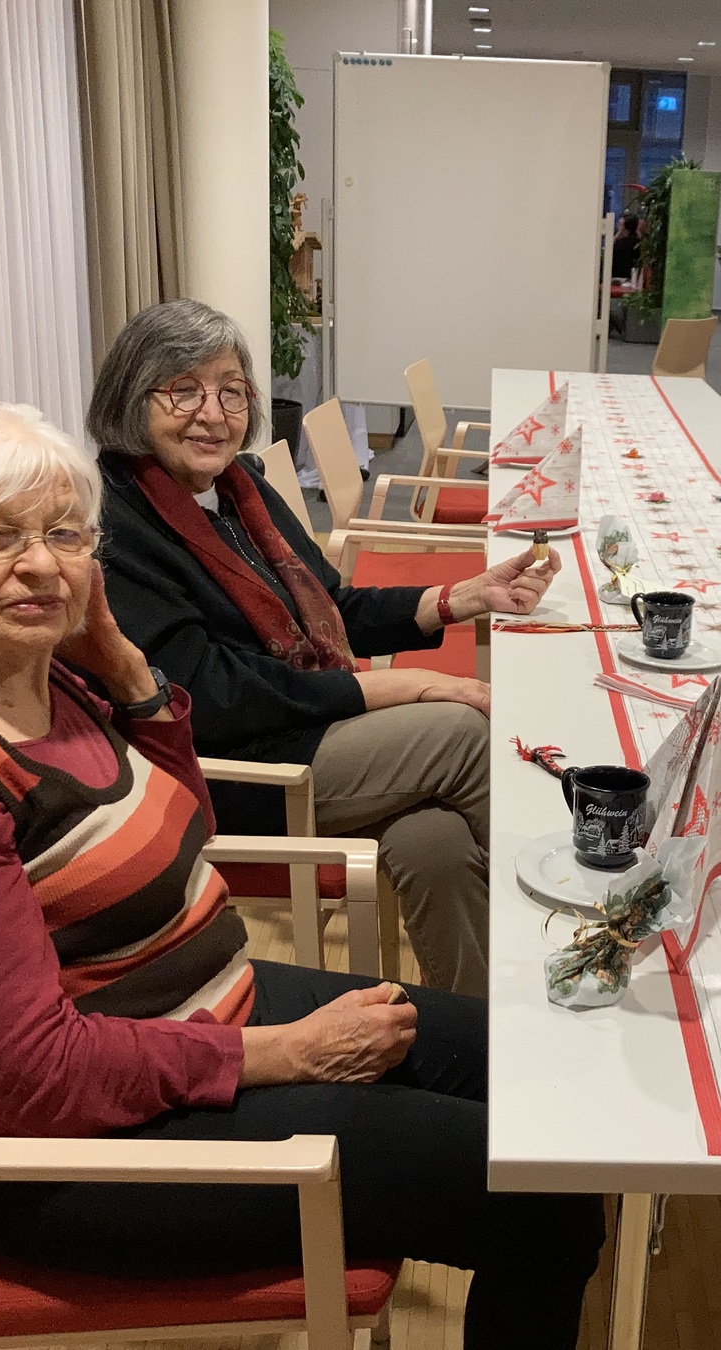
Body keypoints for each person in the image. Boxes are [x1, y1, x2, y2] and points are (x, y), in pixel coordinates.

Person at [0, 404, 603, 1349]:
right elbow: (32, 1078)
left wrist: (127, 671)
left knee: (542, 1079)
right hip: (60, 1159)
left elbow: (186, 827)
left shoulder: (43, 678)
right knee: (542, 1198)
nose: (42, 565)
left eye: (65, 533)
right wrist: (289, 1055)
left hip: (189, 1015)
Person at [91, 299, 563, 996]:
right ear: (132, 399)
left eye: (230, 390)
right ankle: (590, 923)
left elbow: (331, 608)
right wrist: (396, 686)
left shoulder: (239, 487)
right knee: (464, 733)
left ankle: (484, 1026)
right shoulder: (117, 528)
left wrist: (460, 597)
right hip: (233, 773)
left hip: (302, 733)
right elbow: (208, 695)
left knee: (433, 841)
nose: (213, 414)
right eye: (183, 390)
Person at [611, 214, 641, 280]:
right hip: (615, 273)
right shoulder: (617, 237)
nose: (618, 226)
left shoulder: (631, 241)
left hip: (623, 275)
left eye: (620, 224)